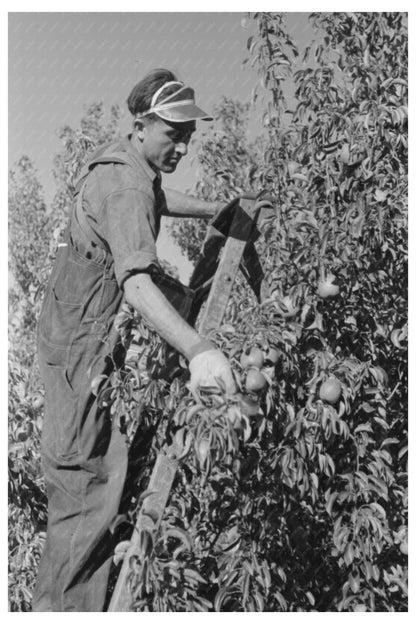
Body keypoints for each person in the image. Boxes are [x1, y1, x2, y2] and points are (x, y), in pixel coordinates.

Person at [32, 68, 237, 612]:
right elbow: (137, 283)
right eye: (174, 133)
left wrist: (218, 208)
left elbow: (157, 199)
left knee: (102, 480)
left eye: (189, 134)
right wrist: (198, 349)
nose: (184, 144)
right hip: (79, 350)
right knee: (86, 495)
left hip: (77, 337)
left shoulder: (128, 164)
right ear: (142, 125)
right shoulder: (124, 184)